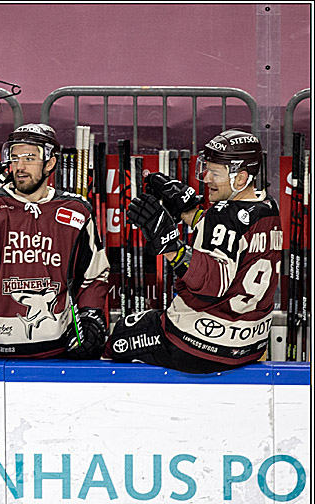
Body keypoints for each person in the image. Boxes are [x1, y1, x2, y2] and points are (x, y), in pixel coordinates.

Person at [106, 129, 282, 372]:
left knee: (118, 336)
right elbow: (229, 237)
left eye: (215, 173)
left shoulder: (222, 216)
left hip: (199, 344)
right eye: (206, 168)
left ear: (240, 179)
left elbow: (212, 285)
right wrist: (187, 211)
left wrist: (170, 245)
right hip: (251, 344)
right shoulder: (268, 208)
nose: (206, 178)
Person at [0, 124, 110, 360]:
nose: (19, 166)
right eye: (15, 158)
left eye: (30, 158)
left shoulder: (77, 210)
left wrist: (91, 316)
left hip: (57, 350)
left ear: (50, 163)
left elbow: (95, 275)